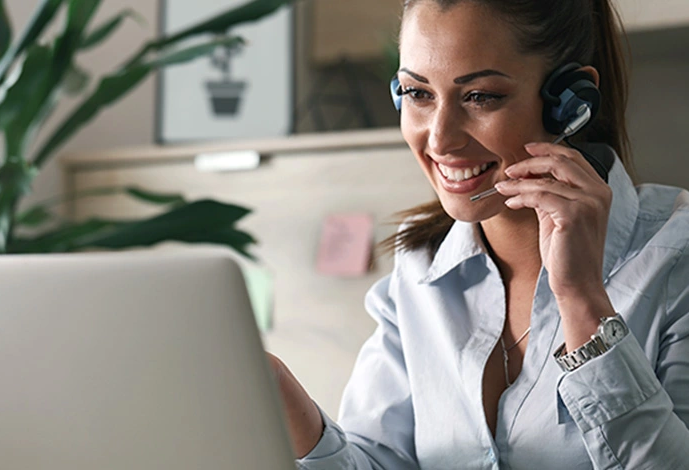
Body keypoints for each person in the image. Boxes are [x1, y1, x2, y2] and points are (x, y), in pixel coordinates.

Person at [268, 0, 689, 468]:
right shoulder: (421, 270)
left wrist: (582, 300)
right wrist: (277, 394)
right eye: (417, 93)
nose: (440, 138)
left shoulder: (675, 260)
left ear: (572, 101)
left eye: (480, 96)